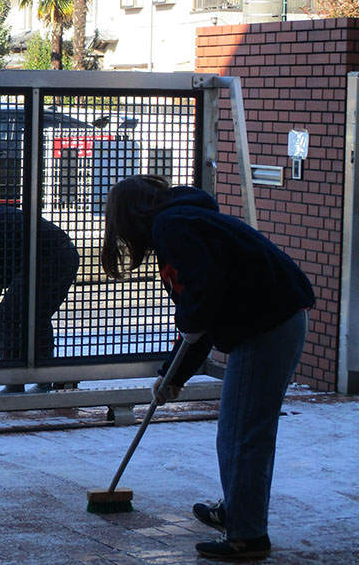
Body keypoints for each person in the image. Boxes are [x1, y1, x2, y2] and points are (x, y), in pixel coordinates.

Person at [100, 175, 313, 560]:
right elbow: (201, 316)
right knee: (241, 429)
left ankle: (247, 534)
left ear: (129, 216)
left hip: (267, 325)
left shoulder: (173, 226)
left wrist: (191, 326)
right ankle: (237, 510)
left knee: (243, 432)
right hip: (270, 320)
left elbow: (203, 299)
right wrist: (174, 377)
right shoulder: (182, 220)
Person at [0, 205, 79, 392]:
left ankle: (15, 380)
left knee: (9, 317)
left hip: (50, 257)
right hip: (62, 254)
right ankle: (43, 378)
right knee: (37, 315)